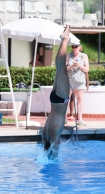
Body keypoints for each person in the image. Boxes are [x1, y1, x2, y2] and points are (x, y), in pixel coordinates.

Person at [42, 25, 70, 159]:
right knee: (59, 67)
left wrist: (54, 157)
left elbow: (56, 144)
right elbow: (47, 148)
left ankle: (65, 39)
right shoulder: (44, 134)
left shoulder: (52, 135)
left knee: (62, 67)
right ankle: (63, 40)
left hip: (61, 100)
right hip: (53, 99)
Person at [66, 44, 89, 125]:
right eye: (73, 47)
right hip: (70, 80)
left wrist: (79, 65)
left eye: (76, 46)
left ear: (79, 47)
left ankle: (80, 119)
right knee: (66, 99)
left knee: (80, 99)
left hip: (80, 80)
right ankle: (64, 118)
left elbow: (87, 69)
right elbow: (64, 68)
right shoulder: (69, 55)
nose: (74, 48)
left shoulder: (84, 56)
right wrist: (71, 66)